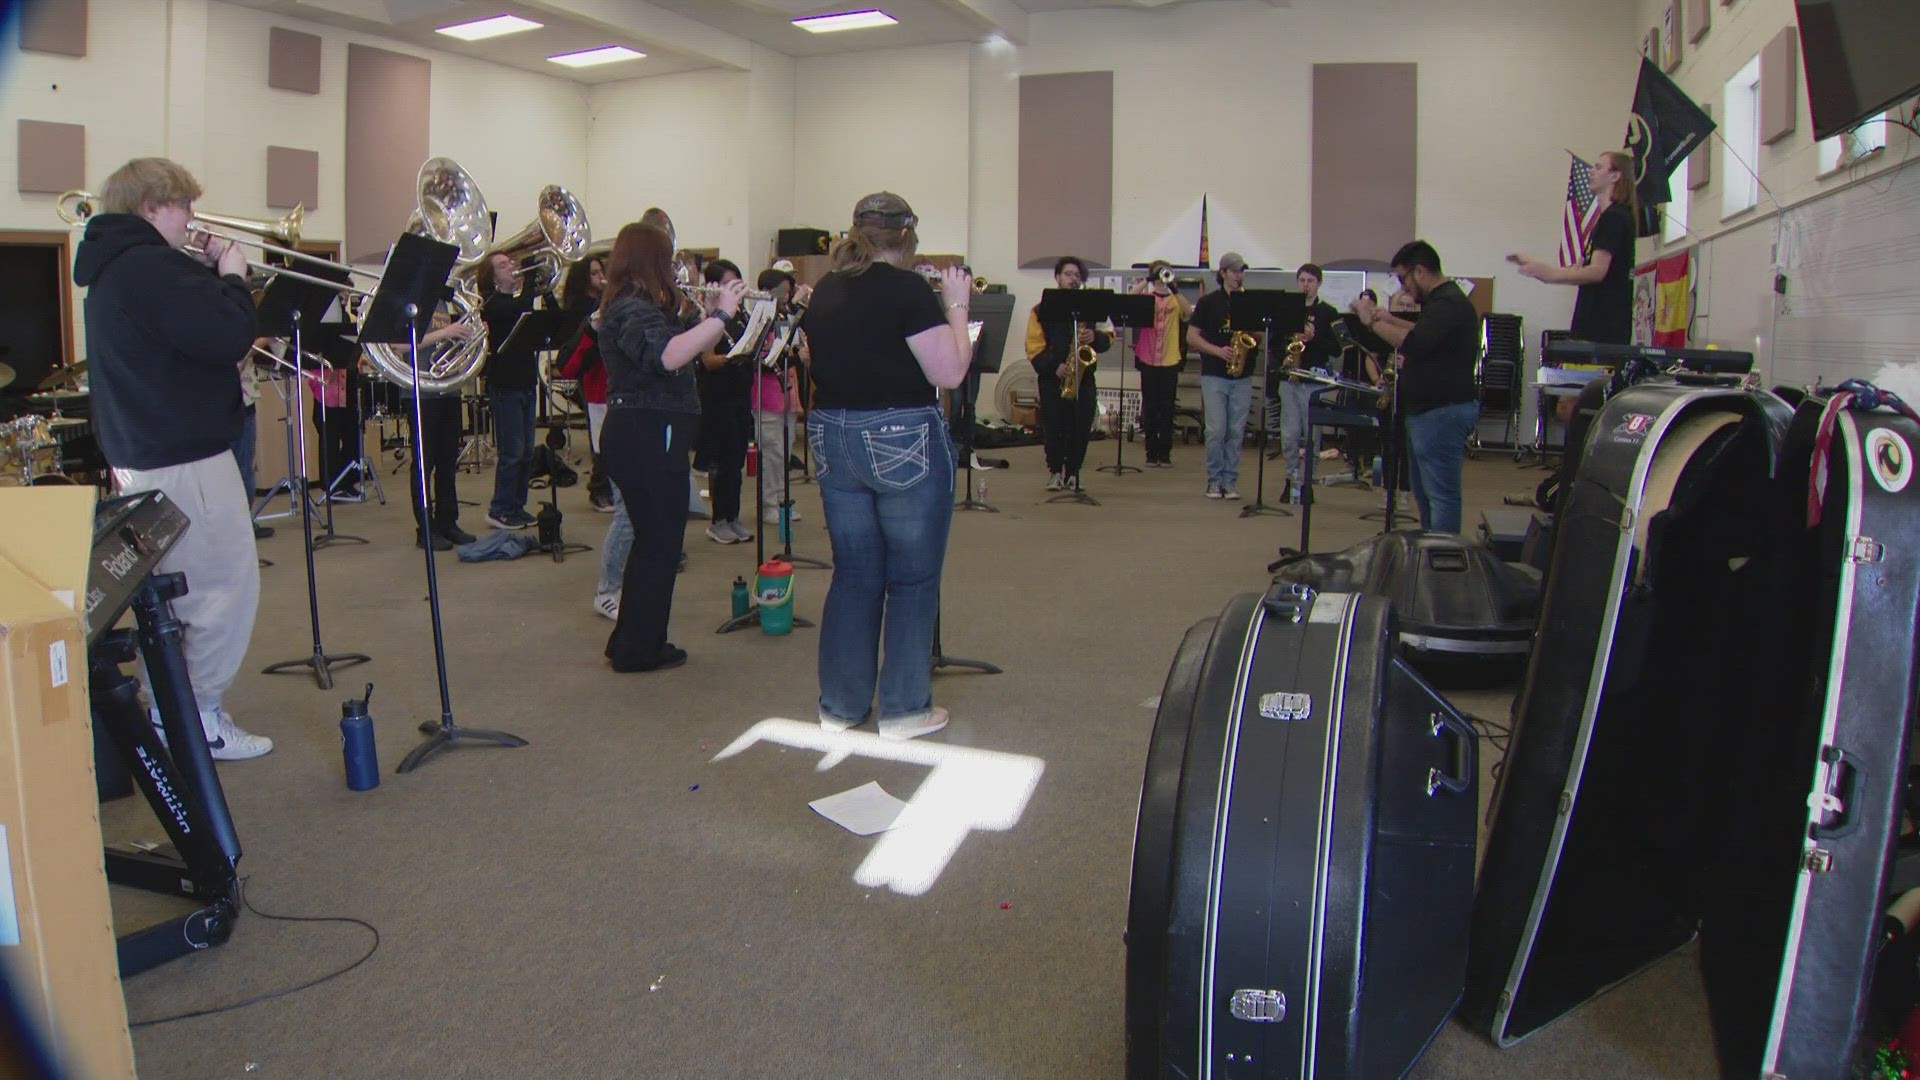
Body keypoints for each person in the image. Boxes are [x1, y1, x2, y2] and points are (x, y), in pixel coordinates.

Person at [71, 157, 270, 759]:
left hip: (144, 455)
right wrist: (233, 277)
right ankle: (196, 718)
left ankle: (177, 713)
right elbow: (227, 335)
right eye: (184, 206)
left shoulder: (115, 268)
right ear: (153, 205)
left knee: (176, 595)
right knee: (222, 590)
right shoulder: (152, 267)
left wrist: (208, 275)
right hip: (186, 456)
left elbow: (181, 337)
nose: (192, 219)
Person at [800, 192, 972, 740]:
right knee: (913, 578)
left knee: (853, 574)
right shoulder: (908, 290)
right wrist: (958, 306)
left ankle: (841, 706)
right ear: (907, 237)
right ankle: (903, 710)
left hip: (832, 435)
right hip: (900, 438)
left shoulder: (826, 289)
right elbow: (948, 374)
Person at [597, 221, 742, 673]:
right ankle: (638, 649)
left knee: (653, 543)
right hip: (645, 433)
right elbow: (668, 356)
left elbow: (682, 344)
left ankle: (633, 641)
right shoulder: (630, 308)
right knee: (658, 544)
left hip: (645, 432)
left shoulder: (637, 306)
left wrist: (711, 315)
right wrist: (720, 315)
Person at [1351, 240, 1479, 535]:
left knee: (1441, 495)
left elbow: (1416, 344)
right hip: (1428, 411)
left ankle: (1443, 556)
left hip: (1442, 412)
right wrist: (1390, 318)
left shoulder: (1448, 303)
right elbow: (1425, 332)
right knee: (1426, 494)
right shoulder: (1441, 302)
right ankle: (1432, 548)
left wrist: (1370, 322)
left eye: (1403, 278)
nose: (1403, 287)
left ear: (1420, 272)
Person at [477, 250, 549, 531]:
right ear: (492, 277)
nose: (511, 267)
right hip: (505, 384)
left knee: (527, 452)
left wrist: (539, 283)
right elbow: (520, 310)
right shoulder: (493, 303)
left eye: (511, 263)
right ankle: (500, 509)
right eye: (503, 265)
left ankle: (517, 507)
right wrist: (530, 275)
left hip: (526, 381)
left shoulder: (516, 300)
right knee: (512, 452)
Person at [1024, 255, 1109, 492]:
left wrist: (1096, 337)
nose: (1073, 279)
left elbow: (1107, 336)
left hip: (1084, 377)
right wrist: (1054, 366)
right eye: (1068, 274)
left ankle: (1073, 472)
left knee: (1081, 426)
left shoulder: (1092, 306)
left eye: (1077, 275)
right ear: (1057, 277)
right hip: (1053, 378)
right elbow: (1033, 346)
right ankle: (1054, 472)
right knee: (1054, 426)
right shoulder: (1040, 309)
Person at [1186, 251, 1257, 499]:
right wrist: (1218, 350)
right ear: (1223, 273)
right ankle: (1214, 480)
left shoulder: (1250, 301)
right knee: (1216, 430)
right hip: (1214, 373)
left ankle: (1230, 481)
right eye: (1235, 271)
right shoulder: (1208, 302)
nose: (1239, 275)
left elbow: (1261, 337)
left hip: (1243, 375)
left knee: (1236, 431)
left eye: (1242, 271)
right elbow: (1191, 336)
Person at [695, 259, 756, 545]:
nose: (736, 288)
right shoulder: (709, 317)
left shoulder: (741, 315)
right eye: (729, 283)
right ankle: (718, 521)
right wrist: (733, 358)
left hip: (740, 395)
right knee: (721, 462)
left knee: (737, 460)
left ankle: (733, 517)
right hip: (718, 397)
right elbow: (707, 360)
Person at [1273, 263, 1338, 503]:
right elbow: (1274, 343)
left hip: (1313, 379)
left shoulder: (1329, 313)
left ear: (1318, 283)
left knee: (1312, 434)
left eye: (1310, 281)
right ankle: (1291, 479)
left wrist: (1314, 338)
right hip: (1290, 378)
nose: (1305, 285)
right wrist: (1286, 353)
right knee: (1289, 434)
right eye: (1301, 280)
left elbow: (1337, 349)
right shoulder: (1287, 310)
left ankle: (1307, 482)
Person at [753, 266, 808, 526]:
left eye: (789, 292)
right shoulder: (760, 319)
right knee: (771, 453)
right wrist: (794, 354)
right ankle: (769, 504)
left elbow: (794, 349)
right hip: (765, 396)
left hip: (786, 393)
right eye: (783, 292)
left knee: (784, 452)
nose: (787, 297)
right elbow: (764, 358)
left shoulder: (786, 317)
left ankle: (781, 501)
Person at [556, 255, 612, 511]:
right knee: (600, 436)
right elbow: (571, 355)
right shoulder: (580, 307)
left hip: (609, 374)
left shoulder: (605, 301)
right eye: (594, 273)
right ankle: (599, 489)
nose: (600, 277)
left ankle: (610, 487)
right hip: (591, 374)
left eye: (602, 271)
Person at [1128, 261, 1190, 468]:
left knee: (1167, 407)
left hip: (1170, 358)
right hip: (1147, 356)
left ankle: (1165, 453)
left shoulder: (1175, 299)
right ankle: (1150, 452)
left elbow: (1188, 312)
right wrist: (1148, 279)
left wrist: (1173, 287)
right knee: (1150, 406)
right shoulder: (1147, 298)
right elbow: (1129, 300)